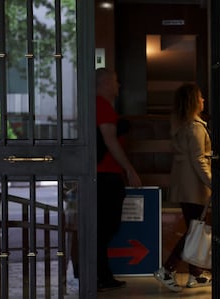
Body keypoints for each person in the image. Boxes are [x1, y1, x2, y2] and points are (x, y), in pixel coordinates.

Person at [154, 82, 212, 292]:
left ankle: (196, 274)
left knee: (193, 228)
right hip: (195, 188)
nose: (204, 100)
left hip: (184, 187)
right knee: (194, 231)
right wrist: (212, 183)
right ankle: (167, 269)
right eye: (201, 97)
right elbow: (199, 160)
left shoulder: (181, 127)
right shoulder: (196, 128)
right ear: (194, 101)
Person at [96, 68, 142, 291]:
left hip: (104, 175)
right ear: (105, 83)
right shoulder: (102, 106)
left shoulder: (100, 106)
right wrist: (129, 169)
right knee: (106, 227)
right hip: (106, 176)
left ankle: (102, 275)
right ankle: (100, 275)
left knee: (103, 227)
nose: (119, 86)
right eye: (115, 81)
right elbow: (110, 141)